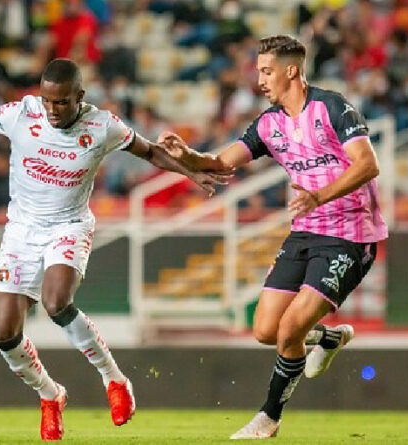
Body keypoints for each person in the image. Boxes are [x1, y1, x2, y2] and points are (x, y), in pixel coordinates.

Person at [0, 58, 228, 441]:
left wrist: (191, 172)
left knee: (56, 303)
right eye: (48, 100)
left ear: (79, 97)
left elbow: (150, 152)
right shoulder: (21, 113)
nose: (53, 110)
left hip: (68, 226)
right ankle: (50, 396)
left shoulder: (102, 125)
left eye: (62, 102)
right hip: (20, 232)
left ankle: (114, 380)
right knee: (4, 333)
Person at [160, 35, 388, 439]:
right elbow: (221, 163)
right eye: (258, 70)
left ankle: (268, 417)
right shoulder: (269, 123)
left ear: (292, 70)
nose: (259, 79)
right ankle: (331, 338)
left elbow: (367, 164)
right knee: (266, 330)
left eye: (266, 71)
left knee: (288, 331)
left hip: (351, 235)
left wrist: (318, 195)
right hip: (304, 232)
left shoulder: (332, 107)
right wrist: (187, 156)